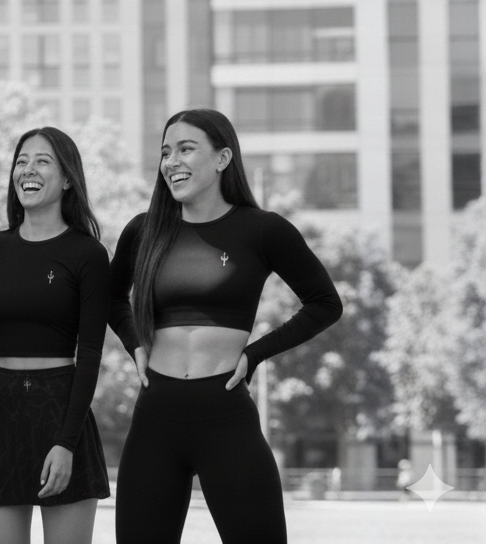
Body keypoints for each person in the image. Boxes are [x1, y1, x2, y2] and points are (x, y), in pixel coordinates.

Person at [110, 109, 342, 544]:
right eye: (165, 152)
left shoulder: (263, 229)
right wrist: (134, 343)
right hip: (155, 417)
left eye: (185, 149)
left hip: (226, 416)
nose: (171, 162)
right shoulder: (143, 231)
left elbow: (325, 303)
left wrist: (255, 354)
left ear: (222, 158)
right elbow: (110, 296)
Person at [0, 127, 112, 544]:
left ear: (67, 179)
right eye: (21, 161)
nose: (28, 169)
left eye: (43, 161)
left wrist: (67, 443)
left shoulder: (88, 254)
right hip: (0, 408)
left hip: (61, 409)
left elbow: (91, 354)